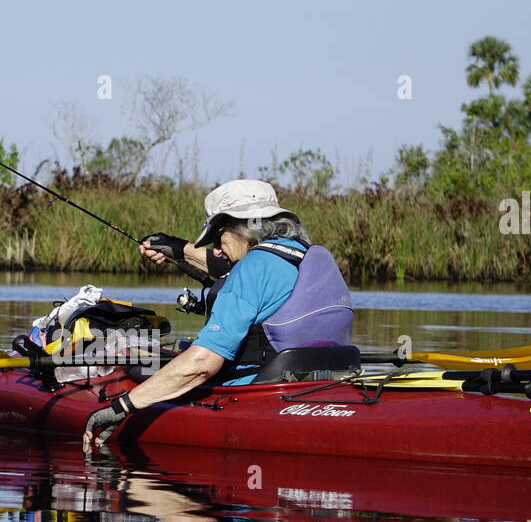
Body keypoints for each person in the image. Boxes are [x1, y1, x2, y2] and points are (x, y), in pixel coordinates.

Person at [84, 179, 352, 448]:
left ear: (240, 228)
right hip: (318, 383)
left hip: (256, 390)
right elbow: (236, 265)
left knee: (147, 364)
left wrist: (123, 405)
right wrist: (178, 249)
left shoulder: (252, 267)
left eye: (217, 237)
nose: (215, 249)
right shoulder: (303, 253)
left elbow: (203, 364)